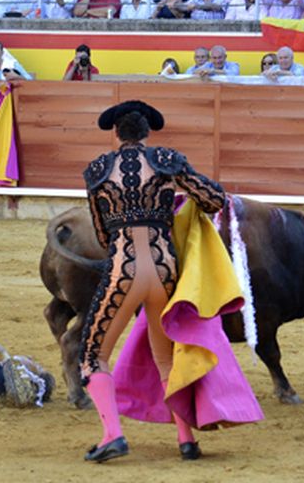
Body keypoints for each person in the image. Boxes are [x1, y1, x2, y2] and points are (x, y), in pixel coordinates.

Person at [79, 100, 226, 462]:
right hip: (164, 270)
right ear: (147, 133)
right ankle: (186, 439)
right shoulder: (167, 161)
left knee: (92, 356)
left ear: (116, 134)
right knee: (166, 356)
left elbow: (102, 234)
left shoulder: (97, 170)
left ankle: (112, 434)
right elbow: (214, 199)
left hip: (123, 267)